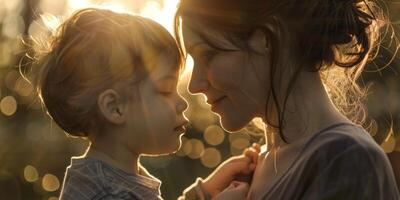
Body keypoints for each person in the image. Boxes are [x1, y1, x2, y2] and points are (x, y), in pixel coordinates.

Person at [24, 8, 258, 200]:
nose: (182, 103)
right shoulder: (107, 194)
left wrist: (206, 191)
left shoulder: (112, 178)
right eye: (166, 89)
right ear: (115, 108)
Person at [175, 0, 400, 199]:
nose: (195, 85)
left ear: (267, 40)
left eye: (207, 54)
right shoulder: (250, 172)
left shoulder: (346, 161)